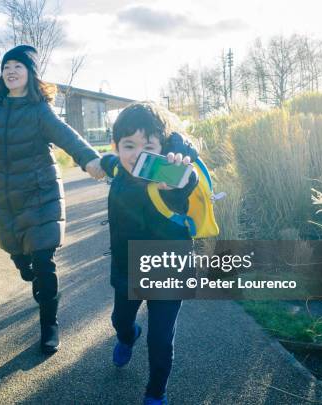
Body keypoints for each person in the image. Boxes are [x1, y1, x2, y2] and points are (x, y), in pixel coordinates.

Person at [0, 45, 104, 354]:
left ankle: (49, 325)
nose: (11, 70)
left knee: (44, 262)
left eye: (18, 66)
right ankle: (29, 271)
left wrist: (91, 161)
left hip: (40, 193)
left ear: (30, 74)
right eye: (7, 66)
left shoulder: (39, 110)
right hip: (5, 195)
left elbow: (67, 136)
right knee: (21, 260)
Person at [99, 102, 199, 405]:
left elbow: (187, 179)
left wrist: (180, 173)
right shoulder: (118, 168)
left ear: (162, 146)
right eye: (129, 145)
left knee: (161, 339)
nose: (138, 154)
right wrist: (94, 161)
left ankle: (156, 392)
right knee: (120, 321)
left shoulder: (171, 176)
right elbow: (107, 161)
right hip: (128, 269)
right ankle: (128, 336)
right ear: (117, 146)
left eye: (149, 145)